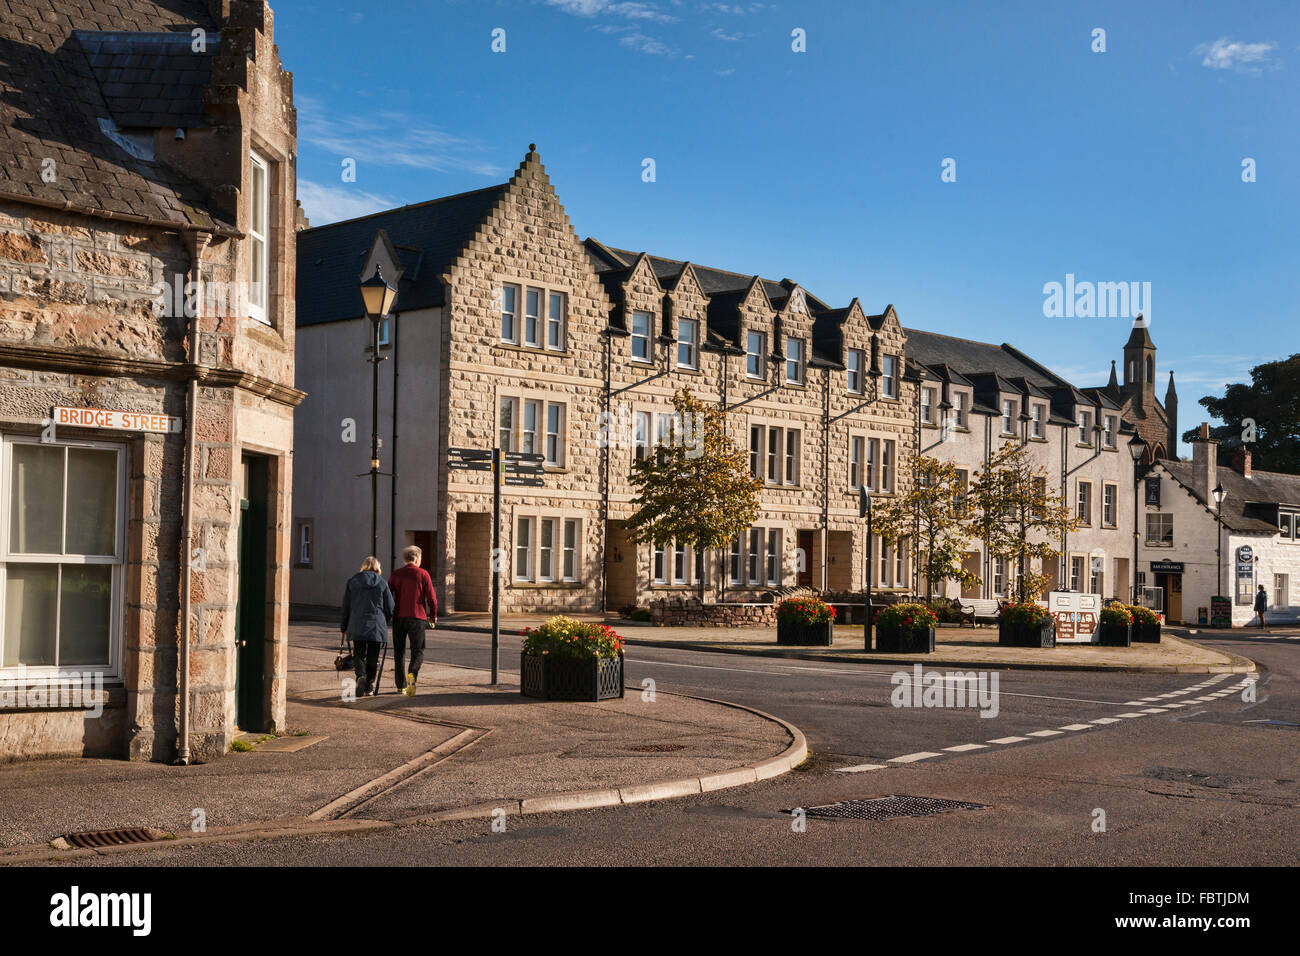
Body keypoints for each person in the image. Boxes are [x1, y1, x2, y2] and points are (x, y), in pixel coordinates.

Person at [340, 556, 394, 697]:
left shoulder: (352, 582)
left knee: (358, 654)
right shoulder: (382, 583)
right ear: (377, 567)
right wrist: (384, 621)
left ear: (363, 566)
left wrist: (343, 626)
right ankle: (369, 686)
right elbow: (390, 607)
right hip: (376, 625)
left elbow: (346, 606)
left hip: (357, 623)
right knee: (373, 656)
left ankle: (360, 677)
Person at [388, 545, 438, 696]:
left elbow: (388, 596)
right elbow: (432, 598)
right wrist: (433, 616)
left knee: (399, 652)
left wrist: (389, 613)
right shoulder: (423, 574)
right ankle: (412, 675)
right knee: (418, 651)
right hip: (417, 617)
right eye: (420, 558)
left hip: (399, 617)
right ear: (416, 558)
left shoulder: (396, 574)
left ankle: (400, 685)